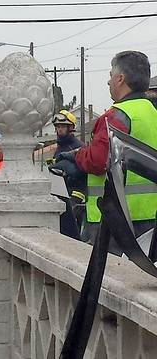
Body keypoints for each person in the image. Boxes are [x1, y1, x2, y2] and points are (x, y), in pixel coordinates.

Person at [58, 51, 157, 245]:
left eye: (111, 75)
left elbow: (97, 161)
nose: (108, 81)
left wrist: (76, 157)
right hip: (150, 217)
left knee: (110, 273)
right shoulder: (152, 113)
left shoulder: (115, 117)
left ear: (120, 79)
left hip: (115, 219)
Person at [49, 110, 85, 239]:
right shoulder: (59, 148)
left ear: (71, 128)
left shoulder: (78, 147)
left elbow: (82, 175)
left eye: (63, 126)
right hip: (59, 195)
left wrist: (75, 200)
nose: (59, 130)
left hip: (75, 197)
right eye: (58, 127)